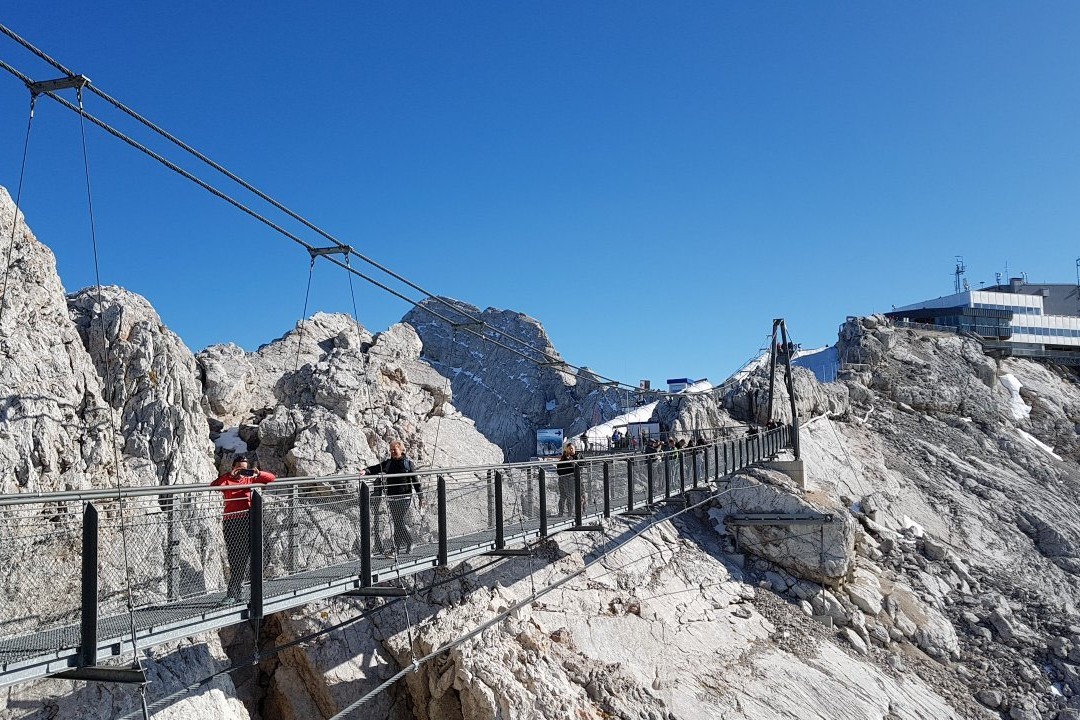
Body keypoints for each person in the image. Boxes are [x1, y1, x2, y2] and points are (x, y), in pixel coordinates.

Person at [211, 455, 275, 603]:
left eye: (244, 469)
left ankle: (248, 590)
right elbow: (214, 486)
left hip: (249, 520)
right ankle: (233, 594)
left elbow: (271, 478)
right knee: (236, 559)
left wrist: (258, 473)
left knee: (257, 556)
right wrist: (229, 475)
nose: (242, 472)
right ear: (234, 467)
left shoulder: (250, 478)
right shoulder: (227, 479)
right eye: (239, 468)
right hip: (232, 522)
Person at [360, 440, 424, 556]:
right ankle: (401, 547)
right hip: (392, 497)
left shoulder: (408, 464)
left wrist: (421, 496)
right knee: (397, 522)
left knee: (398, 521)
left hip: (405, 497)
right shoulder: (388, 463)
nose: (392, 452)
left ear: (401, 450)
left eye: (395, 449)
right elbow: (376, 468)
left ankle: (403, 545)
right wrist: (366, 471)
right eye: (391, 450)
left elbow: (415, 480)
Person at [555, 443, 578, 516]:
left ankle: (570, 512)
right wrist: (570, 462)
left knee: (570, 496)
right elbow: (559, 470)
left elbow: (582, 465)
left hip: (571, 479)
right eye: (569, 449)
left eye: (572, 448)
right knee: (565, 496)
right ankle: (563, 512)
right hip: (565, 479)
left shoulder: (577, 456)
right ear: (566, 449)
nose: (571, 450)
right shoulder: (564, 458)